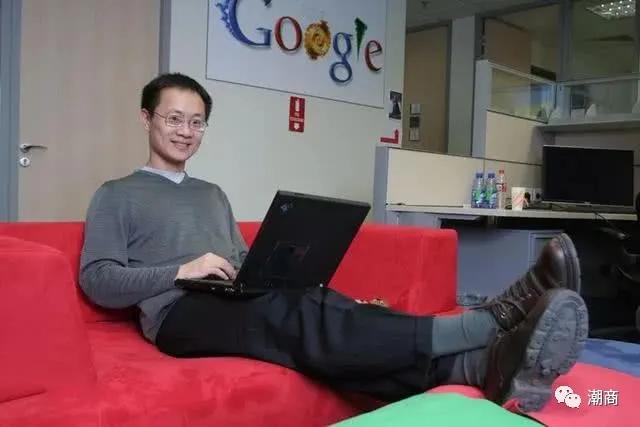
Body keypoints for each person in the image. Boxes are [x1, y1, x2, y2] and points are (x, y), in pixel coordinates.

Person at [79, 73, 588, 412]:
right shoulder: (117, 194)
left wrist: (265, 270)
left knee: (312, 305)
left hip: (229, 297)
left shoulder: (212, 193)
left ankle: (479, 367)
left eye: (196, 122)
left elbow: (239, 259)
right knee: (293, 314)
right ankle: (483, 323)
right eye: (173, 119)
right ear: (147, 118)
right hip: (177, 315)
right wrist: (181, 271)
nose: (185, 132)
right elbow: (97, 279)